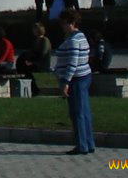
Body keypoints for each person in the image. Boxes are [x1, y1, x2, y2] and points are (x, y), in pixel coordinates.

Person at [52, 9, 95, 155]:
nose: (62, 26)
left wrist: (65, 82)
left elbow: (72, 63)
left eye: (64, 23)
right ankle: (89, 143)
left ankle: (81, 145)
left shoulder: (73, 40)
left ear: (72, 23)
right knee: (84, 112)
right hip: (84, 76)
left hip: (76, 79)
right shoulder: (80, 36)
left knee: (77, 113)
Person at [16, 23, 53, 88]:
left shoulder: (45, 40)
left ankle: (34, 87)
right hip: (35, 62)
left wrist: (32, 61)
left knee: (30, 69)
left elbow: (43, 54)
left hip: (42, 63)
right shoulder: (35, 41)